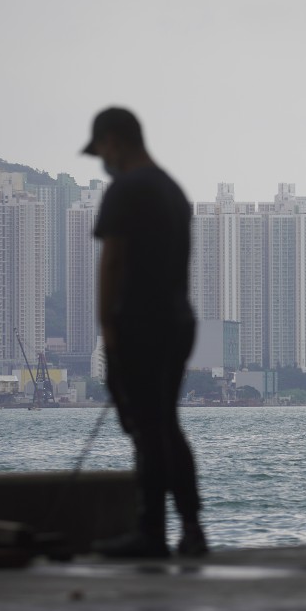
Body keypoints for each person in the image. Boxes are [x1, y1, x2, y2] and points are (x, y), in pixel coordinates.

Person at [83, 107, 207, 558]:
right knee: (165, 424)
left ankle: (151, 533)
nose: (102, 160)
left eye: (101, 150)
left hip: (140, 322)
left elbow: (112, 262)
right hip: (177, 320)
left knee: (148, 429)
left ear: (114, 141)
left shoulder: (125, 190)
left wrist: (108, 328)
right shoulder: (172, 189)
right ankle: (191, 528)